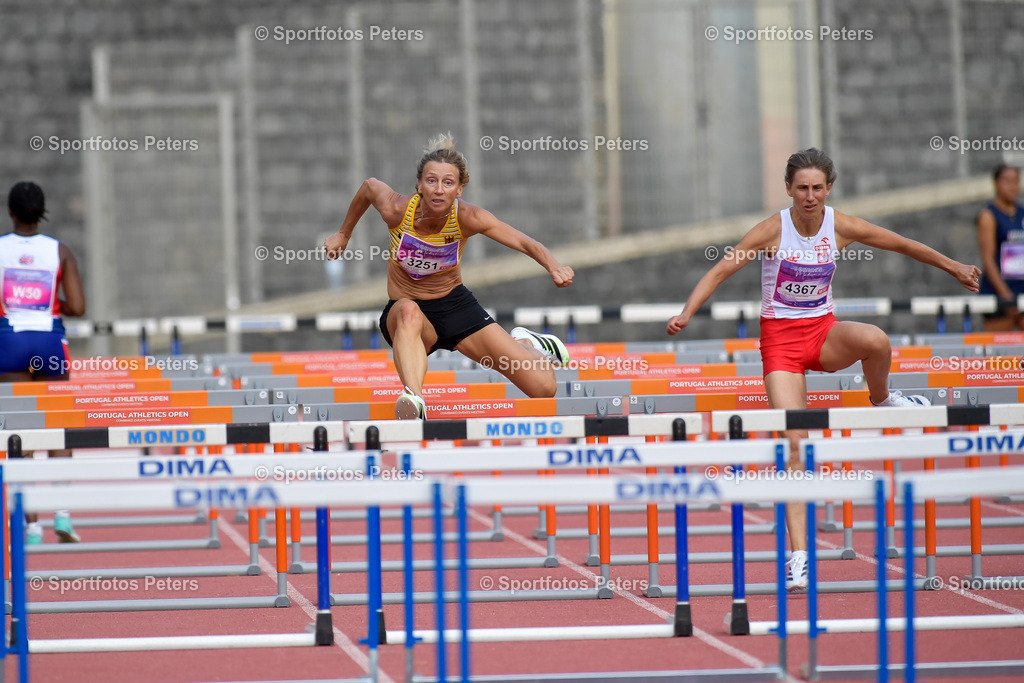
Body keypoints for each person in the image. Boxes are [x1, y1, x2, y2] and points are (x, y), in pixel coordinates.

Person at [666, 149, 981, 591]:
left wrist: (955, 268)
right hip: (781, 347)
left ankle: (882, 399)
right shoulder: (771, 230)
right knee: (796, 446)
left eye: (817, 188)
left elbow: (903, 244)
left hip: (823, 334)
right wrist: (686, 312)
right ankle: (798, 557)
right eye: (801, 188)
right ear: (788, 189)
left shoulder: (842, 226)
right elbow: (720, 271)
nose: (810, 196)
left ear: (828, 188)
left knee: (876, 340)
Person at [324, 134, 574, 419]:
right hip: (410, 314)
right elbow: (369, 187)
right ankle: (414, 399)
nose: (438, 190)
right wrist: (344, 234)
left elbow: (525, 242)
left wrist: (552, 265)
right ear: (419, 184)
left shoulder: (468, 217)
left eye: (448, 183)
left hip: (457, 309)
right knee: (407, 310)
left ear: (459, 189)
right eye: (431, 181)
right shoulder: (396, 210)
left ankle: (527, 344)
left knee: (543, 389)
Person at [0, 181, 86, 544]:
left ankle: (31, 527)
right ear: (41, 212)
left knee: (19, 435)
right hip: (49, 342)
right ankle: (62, 515)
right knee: (59, 428)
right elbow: (79, 308)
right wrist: (53, 306)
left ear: (11, 212)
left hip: (11, 342)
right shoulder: (59, 250)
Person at [976, 164, 1024, 331]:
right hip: (998, 294)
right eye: (1007, 181)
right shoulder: (989, 216)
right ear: (996, 183)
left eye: (1016, 181)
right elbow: (988, 261)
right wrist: (1007, 298)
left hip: (1021, 291)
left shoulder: (1022, 213)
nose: (1013, 186)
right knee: (1000, 351)